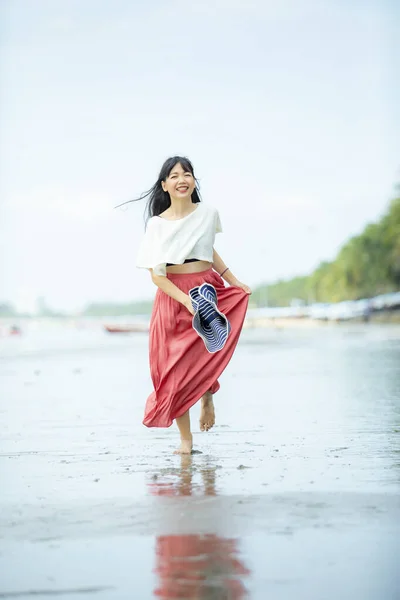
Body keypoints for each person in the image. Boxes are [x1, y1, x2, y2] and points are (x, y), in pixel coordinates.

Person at [129, 156, 251, 454]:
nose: (181, 179)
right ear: (164, 185)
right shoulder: (156, 225)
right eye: (174, 176)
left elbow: (207, 247)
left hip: (207, 288)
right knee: (173, 369)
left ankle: (207, 392)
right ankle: (186, 439)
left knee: (208, 349)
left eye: (187, 174)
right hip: (173, 296)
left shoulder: (208, 213)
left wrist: (234, 281)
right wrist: (184, 300)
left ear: (194, 181)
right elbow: (157, 277)